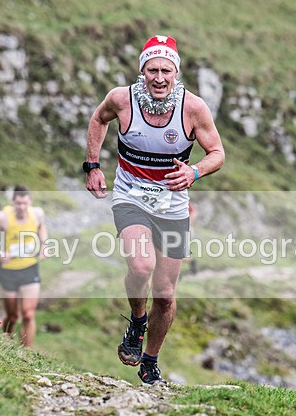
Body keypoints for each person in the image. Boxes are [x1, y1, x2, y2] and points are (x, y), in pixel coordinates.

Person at [83, 35, 225, 384]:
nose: (159, 78)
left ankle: (150, 361)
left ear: (176, 74)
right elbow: (99, 120)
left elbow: (217, 153)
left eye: (166, 71)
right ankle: (137, 321)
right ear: (141, 72)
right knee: (141, 264)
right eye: (152, 70)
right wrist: (92, 165)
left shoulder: (193, 109)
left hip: (172, 204)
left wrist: (194, 172)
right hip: (130, 195)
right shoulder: (122, 99)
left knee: (165, 293)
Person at [0, 185, 47, 348]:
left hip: (29, 268)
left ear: (30, 201)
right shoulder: (2, 217)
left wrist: (44, 245)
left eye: (25, 203)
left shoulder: (37, 214)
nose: (22, 207)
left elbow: (41, 227)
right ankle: (5, 343)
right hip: (8, 271)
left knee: (28, 314)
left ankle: (26, 352)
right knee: (12, 316)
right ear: (13, 202)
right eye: (18, 203)